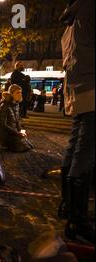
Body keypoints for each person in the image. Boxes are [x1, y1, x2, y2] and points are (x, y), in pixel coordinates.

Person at [58, 0, 94, 243]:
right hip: (92, 88)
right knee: (84, 155)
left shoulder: (72, 21)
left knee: (76, 152)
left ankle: (68, 209)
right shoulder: (90, 10)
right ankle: (77, 220)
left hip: (78, 90)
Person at [0, 84, 34, 153]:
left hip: (13, 132)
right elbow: (3, 125)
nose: (20, 95)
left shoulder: (16, 105)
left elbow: (17, 121)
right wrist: (17, 133)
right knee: (21, 147)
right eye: (17, 93)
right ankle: (3, 144)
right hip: (6, 134)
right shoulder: (4, 106)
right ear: (11, 94)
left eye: (20, 92)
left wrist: (20, 131)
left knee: (28, 145)